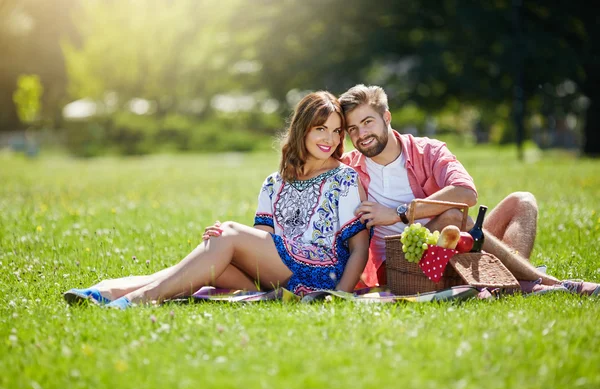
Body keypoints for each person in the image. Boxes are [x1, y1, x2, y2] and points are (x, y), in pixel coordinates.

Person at [63, 91, 370, 308]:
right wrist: (227, 245)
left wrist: (339, 296)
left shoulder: (343, 179)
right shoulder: (274, 183)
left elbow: (359, 247)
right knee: (198, 267)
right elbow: (264, 242)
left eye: (336, 131)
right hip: (276, 278)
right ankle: (104, 292)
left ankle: (134, 301)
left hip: (321, 277)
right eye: (320, 129)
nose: (329, 139)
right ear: (302, 130)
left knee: (227, 236)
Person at [338, 84, 599, 296]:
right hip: (404, 264)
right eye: (353, 129)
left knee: (522, 201)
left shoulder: (428, 150)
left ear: (386, 117)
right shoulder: (348, 168)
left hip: (456, 244)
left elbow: (466, 193)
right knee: (452, 218)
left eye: (368, 122)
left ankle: (507, 283)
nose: (362, 134)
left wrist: (401, 213)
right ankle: (544, 282)